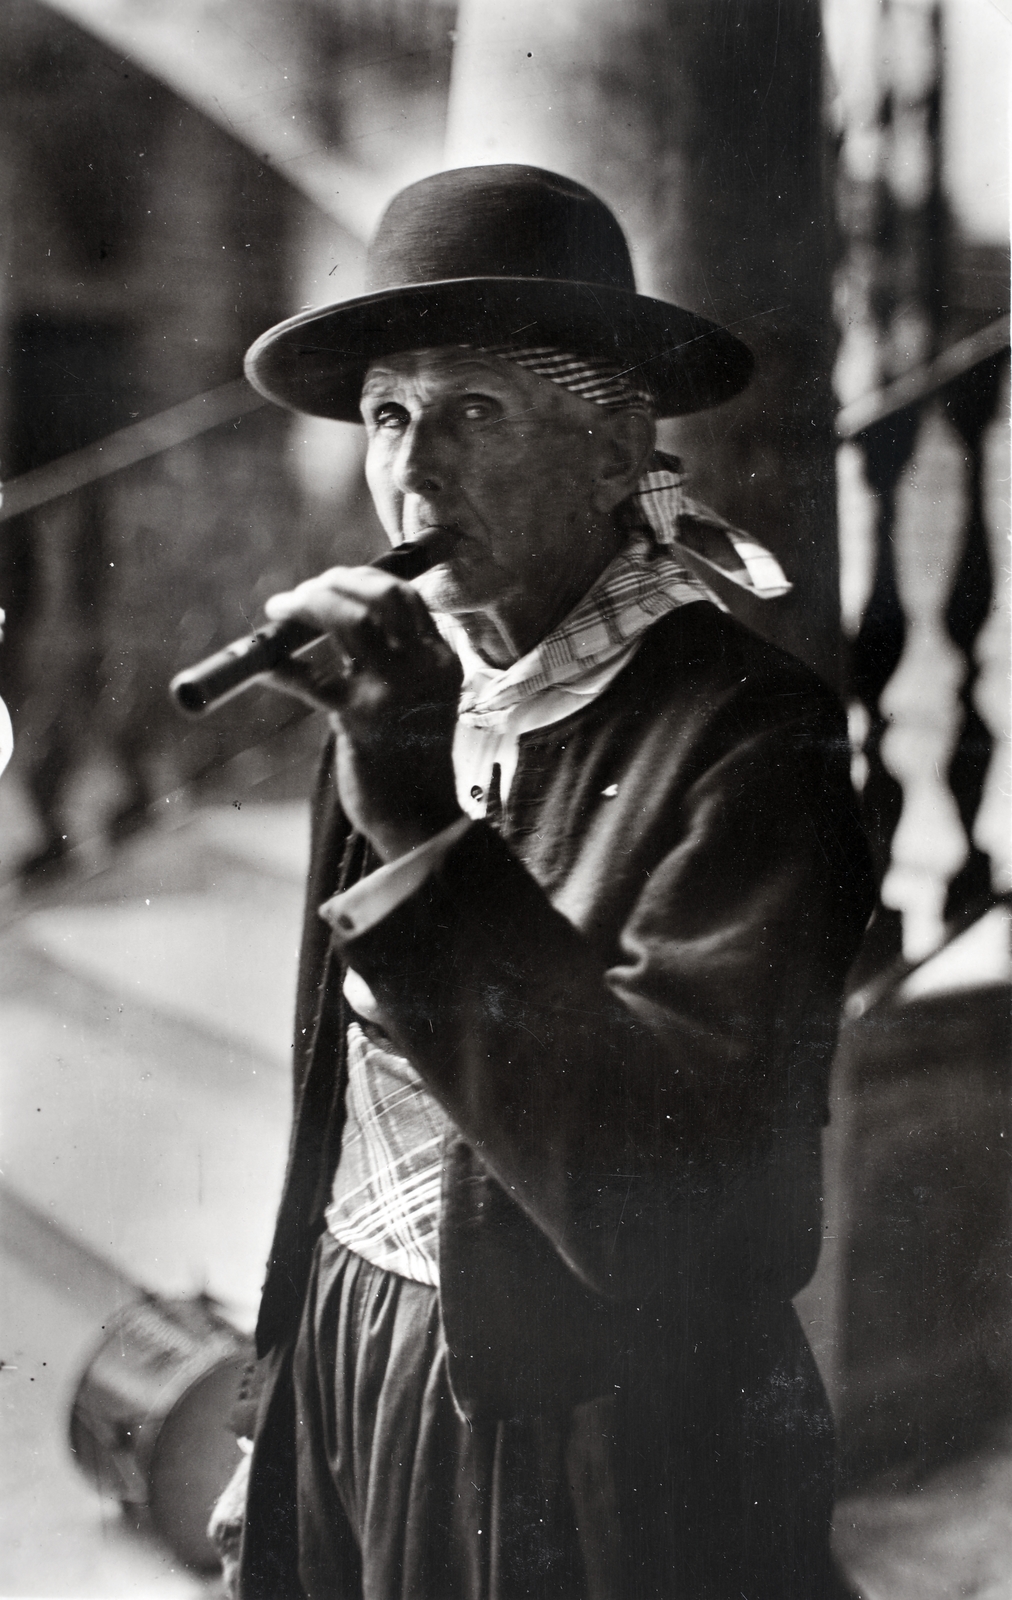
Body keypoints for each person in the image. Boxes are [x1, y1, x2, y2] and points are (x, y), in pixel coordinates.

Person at [226, 165, 874, 1600]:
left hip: (580, 1425)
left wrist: (409, 811)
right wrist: (273, 1414)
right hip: (357, 1346)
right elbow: (339, 1108)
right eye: (391, 415)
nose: (412, 467)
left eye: (473, 412)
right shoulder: (420, 694)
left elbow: (672, 1207)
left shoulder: (749, 738)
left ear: (613, 445)